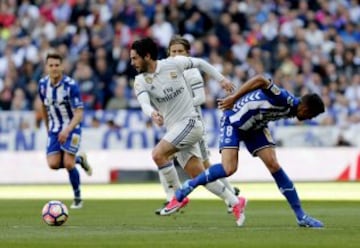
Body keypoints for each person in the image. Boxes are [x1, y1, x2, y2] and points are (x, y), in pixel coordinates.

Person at [166, 75, 325, 228]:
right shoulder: (284, 98)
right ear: (305, 108)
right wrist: (234, 98)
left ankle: (301, 216)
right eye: (311, 115)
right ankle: (189, 185)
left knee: (274, 165)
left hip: (256, 127)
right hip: (234, 121)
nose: (309, 118)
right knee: (229, 168)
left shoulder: (292, 109)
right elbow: (260, 79)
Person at [131, 37, 247, 226]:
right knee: (198, 174)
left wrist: (222, 80)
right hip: (176, 129)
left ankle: (175, 197)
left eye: (135, 58)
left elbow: (200, 63)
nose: (132, 63)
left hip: (191, 123)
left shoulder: (173, 65)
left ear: (147, 56)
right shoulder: (140, 81)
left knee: (158, 154)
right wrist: (152, 112)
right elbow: (144, 102)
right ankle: (235, 201)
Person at [154, 36, 240, 215]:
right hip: (177, 125)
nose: (176, 55)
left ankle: (231, 197)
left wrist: (179, 104)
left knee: (203, 166)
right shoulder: (167, 73)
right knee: (197, 165)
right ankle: (232, 196)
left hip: (193, 124)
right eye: (173, 52)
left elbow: (201, 98)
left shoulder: (191, 72)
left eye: (180, 51)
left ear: (187, 54)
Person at [38, 52, 92, 209]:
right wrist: (48, 128)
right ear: (46, 67)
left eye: (57, 65)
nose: (54, 68)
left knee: (68, 163)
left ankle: (77, 197)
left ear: (62, 66)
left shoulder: (70, 85)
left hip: (72, 128)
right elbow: (43, 106)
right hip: (55, 129)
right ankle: (80, 160)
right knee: (53, 164)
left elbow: (79, 113)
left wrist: (67, 130)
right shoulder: (42, 85)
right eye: (51, 65)